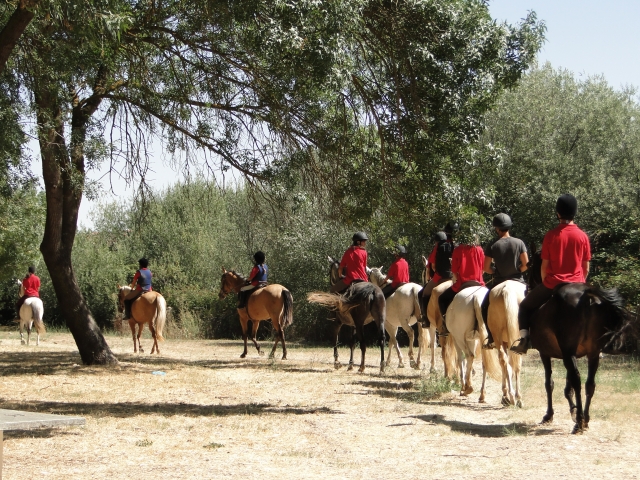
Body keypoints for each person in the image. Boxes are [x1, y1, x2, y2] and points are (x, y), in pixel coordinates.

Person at [511, 194, 591, 354]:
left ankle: (524, 340)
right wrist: (581, 283)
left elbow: (544, 267)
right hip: (578, 284)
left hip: (554, 283)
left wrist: (544, 283)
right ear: (575, 212)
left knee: (525, 306)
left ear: (558, 213)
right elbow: (586, 267)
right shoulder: (583, 236)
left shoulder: (551, 235)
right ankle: (597, 342)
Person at [479, 213, 529, 349]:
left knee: (484, 307)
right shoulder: (519, 243)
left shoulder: (492, 245)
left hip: (499, 283)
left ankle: (491, 337)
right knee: (531, 305)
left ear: (497, 229)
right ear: (509, 227)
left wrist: (495, 271)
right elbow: (526, 264)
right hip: (518, 281)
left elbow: (486, 267)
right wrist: (518, 269)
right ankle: (529, 335)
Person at [437, 226, 485, 336]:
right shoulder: (480, 249)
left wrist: (457, 279)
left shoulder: (458, 250)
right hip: (479, 284)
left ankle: (445, 326)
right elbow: (483, 269)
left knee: (442, 299)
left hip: (462, 284)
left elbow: (454, 271)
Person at [419, 231, 455, 326]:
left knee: (423, 293)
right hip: (453, 277)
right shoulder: (452, 246)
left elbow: (433, 266)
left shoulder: (437, 248)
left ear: (436, 241)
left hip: (440, 277)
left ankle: (425, 319)